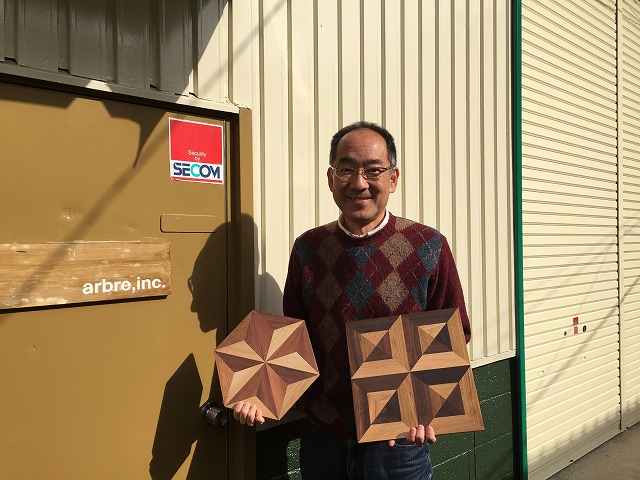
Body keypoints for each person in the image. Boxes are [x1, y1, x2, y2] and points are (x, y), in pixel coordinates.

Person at [234, 121, 471, 479]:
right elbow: (295, 338)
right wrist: (259, 393)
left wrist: (426, 406)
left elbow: (455, 332)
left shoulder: (428, 245)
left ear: (393, 178)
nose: (359, 183)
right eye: (346, 169)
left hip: (399, 440)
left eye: (373, 170)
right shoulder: (308, 248)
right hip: (323, 437)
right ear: (331, 179)